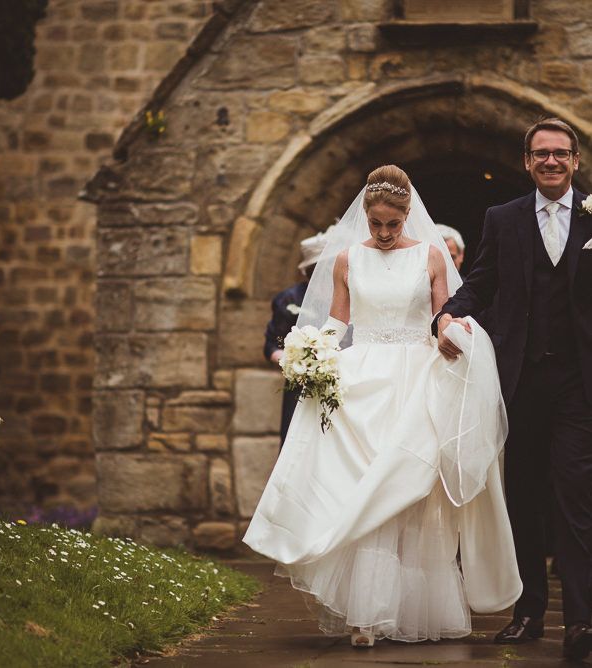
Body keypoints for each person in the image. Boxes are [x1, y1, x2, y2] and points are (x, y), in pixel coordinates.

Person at [244, 165, 521, 647]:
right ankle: (364, 617)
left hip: (416, 379)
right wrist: (310, 354)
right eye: (377, 225)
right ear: (366, 218)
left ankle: (409, 609)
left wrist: (457, 335)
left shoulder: (432, 257)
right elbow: (337, 320)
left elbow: (443, 315)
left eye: (394, 224)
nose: (386, 233)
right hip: (363, 380)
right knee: (363, 485)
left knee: (406, 493)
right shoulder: (348, 259)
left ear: (407, 215)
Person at [436, 118, 592, 661]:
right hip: (519, 380)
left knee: (575, 499)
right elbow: (481, 281)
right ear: (527, 162)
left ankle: (580, 621)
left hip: (579, 383)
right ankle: (528, 613)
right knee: (524, 498)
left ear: (575, 160)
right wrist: (448, 315)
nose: (551, 162)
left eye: (561, 154)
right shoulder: (502, 218)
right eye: (541, 154)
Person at [264, 231, 328, 447]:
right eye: (316, 269)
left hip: (340, 384)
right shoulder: (290, 299)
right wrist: (294, 361)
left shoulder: (347, 295)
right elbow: (271, 343)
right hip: (301, 385)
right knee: (298, 442)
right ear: (308, 272)